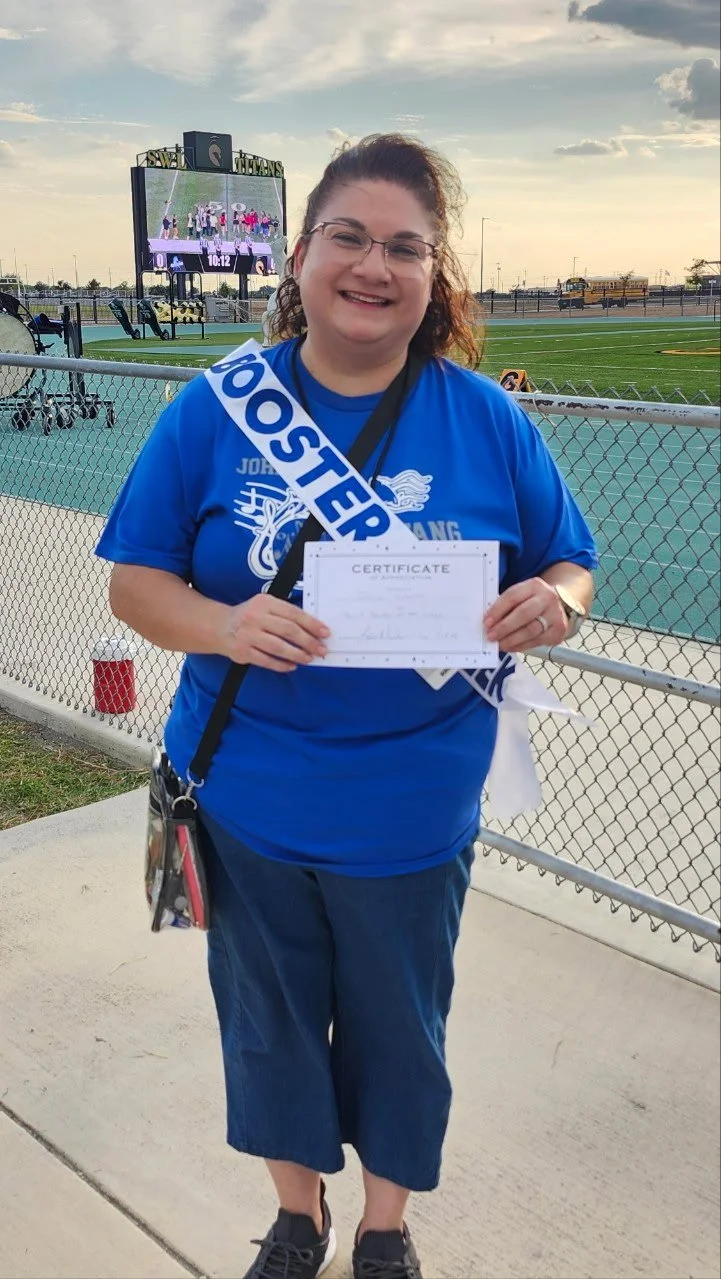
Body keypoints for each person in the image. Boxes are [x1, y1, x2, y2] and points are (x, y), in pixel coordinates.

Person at [96, 133, 596, 1279]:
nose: (374, 266)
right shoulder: (215, 409)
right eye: (350, 238)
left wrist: (554, 605)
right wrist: (224, 625)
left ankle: (383, 1228)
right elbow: (134, 583)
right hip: (248, 797)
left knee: (400, 1030)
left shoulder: (486, 418)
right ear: (300, 253)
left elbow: (568, 561)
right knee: (267, 1021)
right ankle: (296, 1216)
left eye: (404, 248)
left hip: (412, 809)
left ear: (432, 273)